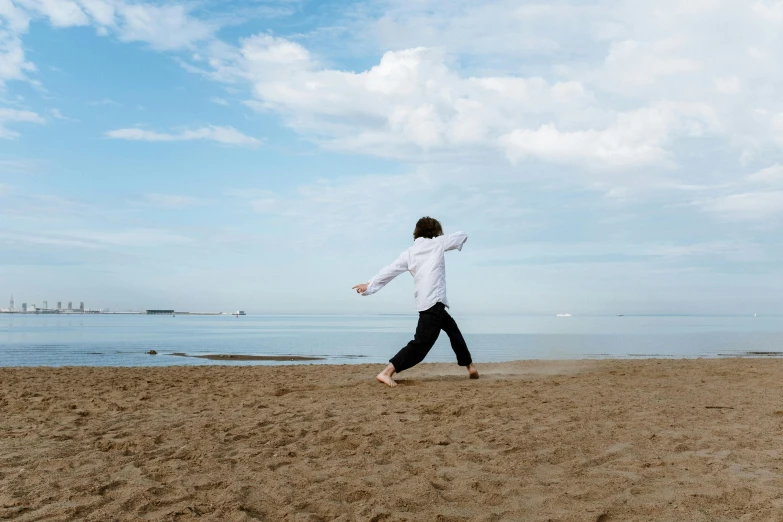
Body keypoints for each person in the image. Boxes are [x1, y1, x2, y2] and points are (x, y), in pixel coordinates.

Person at [352, 216, 479, 387]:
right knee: (421, 344)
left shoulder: (409, 253)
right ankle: (387, 372)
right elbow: (462, 235)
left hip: (429, 302)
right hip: (433, 302)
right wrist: (441, 238)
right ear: (434, 231)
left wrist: (370, 285)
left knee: (453, 330)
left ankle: (470, 367)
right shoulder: (438, 243)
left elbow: (389, 271)